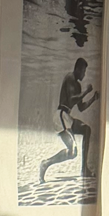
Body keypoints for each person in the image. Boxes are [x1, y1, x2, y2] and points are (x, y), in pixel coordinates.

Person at [38, 53, 95, 186]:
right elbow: (71, 99)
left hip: (67, 117)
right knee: (72, 152)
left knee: (87, 130)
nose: (84, 75)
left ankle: (84, 169)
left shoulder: (78, 86)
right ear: (78, 69)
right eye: (84, 71)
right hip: (60, 116)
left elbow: (81, 107)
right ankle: (45, 163)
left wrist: (93, 99)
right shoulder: (69, 78)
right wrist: (86, 92)